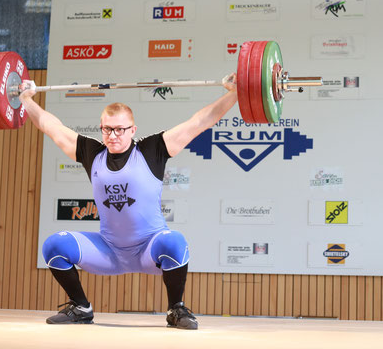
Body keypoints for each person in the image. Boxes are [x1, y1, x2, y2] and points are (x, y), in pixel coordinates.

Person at [19, 73, 238, 330]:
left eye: (120, 129)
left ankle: (175, 309)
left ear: (132, 130)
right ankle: (81, 307)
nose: (113, 136)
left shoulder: (152, 150)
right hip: (109, 250)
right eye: (107, 129)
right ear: (101, 128)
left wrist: (234, 93)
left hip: (149, 249)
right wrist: (25, 99)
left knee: (174, 240)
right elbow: (50, 125)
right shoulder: (92, 153)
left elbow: (201, 121)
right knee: (54, 245)